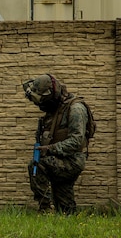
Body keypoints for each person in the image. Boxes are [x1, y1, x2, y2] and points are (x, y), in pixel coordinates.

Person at [23, 73, 93, 214]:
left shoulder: (76, 109)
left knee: (37, 166)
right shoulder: (57, 109)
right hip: (59, 159)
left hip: (71, 161)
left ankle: (45, 210)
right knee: (65, 209)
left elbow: (76, 141)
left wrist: (49, 149)